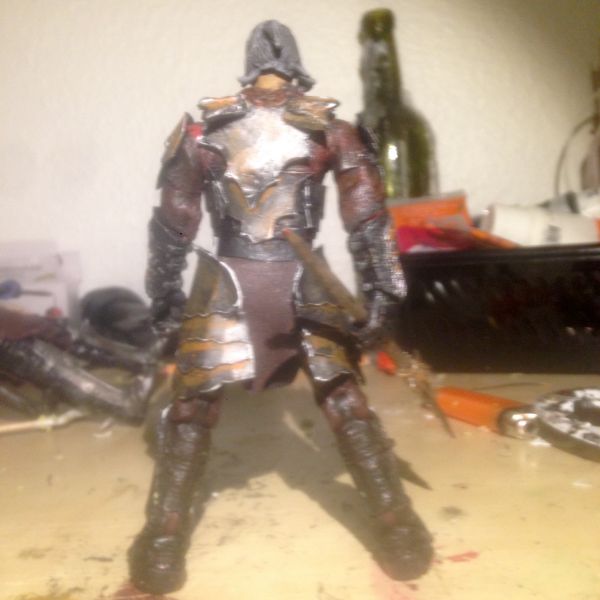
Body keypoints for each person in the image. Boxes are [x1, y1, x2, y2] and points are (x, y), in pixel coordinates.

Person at [128, 20, 433, 595]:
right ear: (297, 66)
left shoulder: (209, 131)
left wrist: (164, 296)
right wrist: (381, 295)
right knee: (338, 404)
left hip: (254, 280)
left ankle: (162, 545)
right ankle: (400, 532)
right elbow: (366, 218)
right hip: (277, 279)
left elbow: (174, 220)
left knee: (198, 410)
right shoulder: (326, 130)